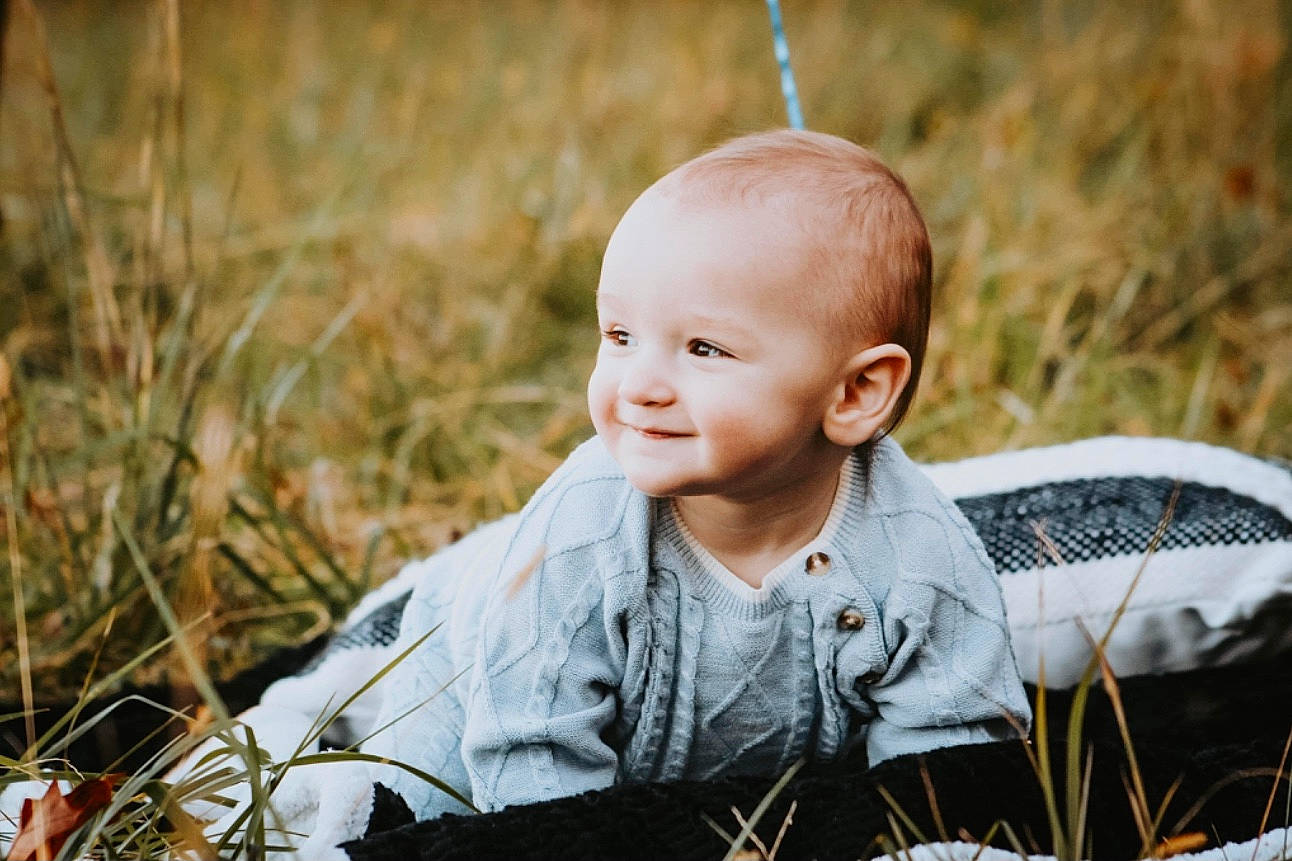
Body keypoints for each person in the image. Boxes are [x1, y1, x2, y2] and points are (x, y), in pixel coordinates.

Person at [365, 129, 1031, 820]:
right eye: (619, 335)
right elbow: (529, 751)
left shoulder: (920, 552)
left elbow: (953, 769)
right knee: (413, 811)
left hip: (741, 793)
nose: (640, 385)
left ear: (856, 391)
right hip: (472, 675)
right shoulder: (579, 536)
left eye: (703, 347)